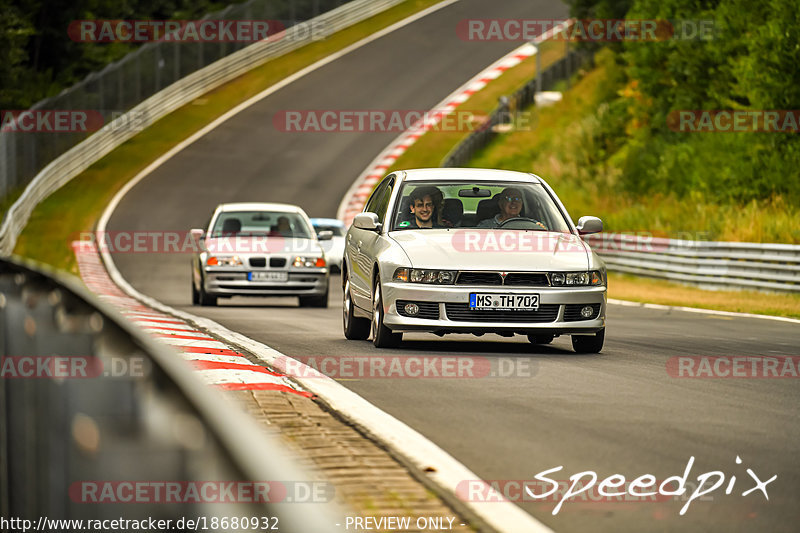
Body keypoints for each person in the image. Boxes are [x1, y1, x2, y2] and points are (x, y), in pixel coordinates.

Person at [477, 187, 546, 229]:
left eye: (517, 199)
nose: (514, 202)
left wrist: (539, 228)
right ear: (500, 203)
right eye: (509, 198)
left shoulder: (531, 225)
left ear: (522, 204)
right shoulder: (485, 225)